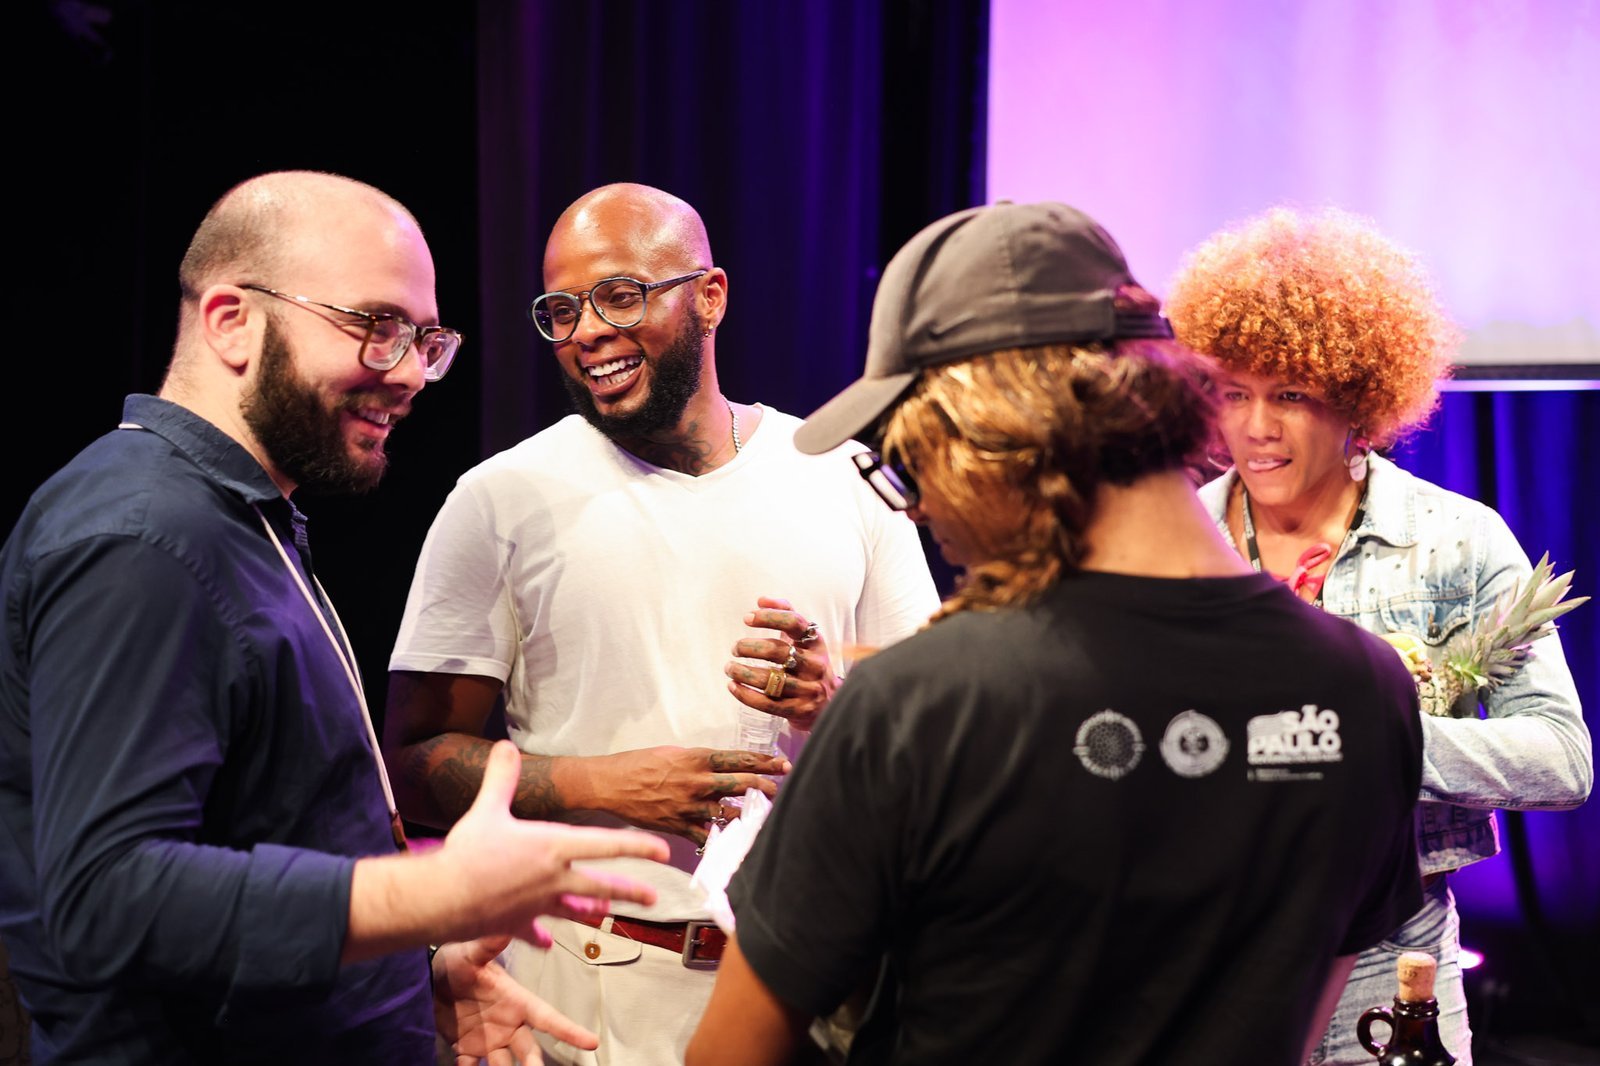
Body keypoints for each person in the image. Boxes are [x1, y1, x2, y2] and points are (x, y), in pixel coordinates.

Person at [685, 200, 1428, 1065]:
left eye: (912, 459)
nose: (919, 503)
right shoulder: (1365, 689)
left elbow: (729, 1057)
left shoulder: (921, 704)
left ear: (987, 430)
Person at [0, 170, 672, 1066]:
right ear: (232, 321)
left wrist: (405, 973)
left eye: (425, 339)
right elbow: (106, 898)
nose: (407, 375)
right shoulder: (146, 536)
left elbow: (269, 833)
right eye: (375, 325)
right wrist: (433, 895)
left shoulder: (237, 518)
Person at [384, 182, 938, 1064]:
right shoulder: (499, 499)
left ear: (710, 297)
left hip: (811, 997)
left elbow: (938, 737)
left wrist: (828, 697)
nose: (586, 332)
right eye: (561, 310)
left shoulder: (843, 476)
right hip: (583, 1003)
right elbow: (411, 768)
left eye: (619, 294)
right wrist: (602, 786)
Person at [1163, 205, 1592, 1066]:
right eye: (1234, 393)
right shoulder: (1176, 543)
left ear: (1358, 397)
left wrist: (1382, 742)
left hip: (1396, 957)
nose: (1254, 428)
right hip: (1207, 954)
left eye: (1290, 395)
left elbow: (1563, 759)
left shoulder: (1455, 539)